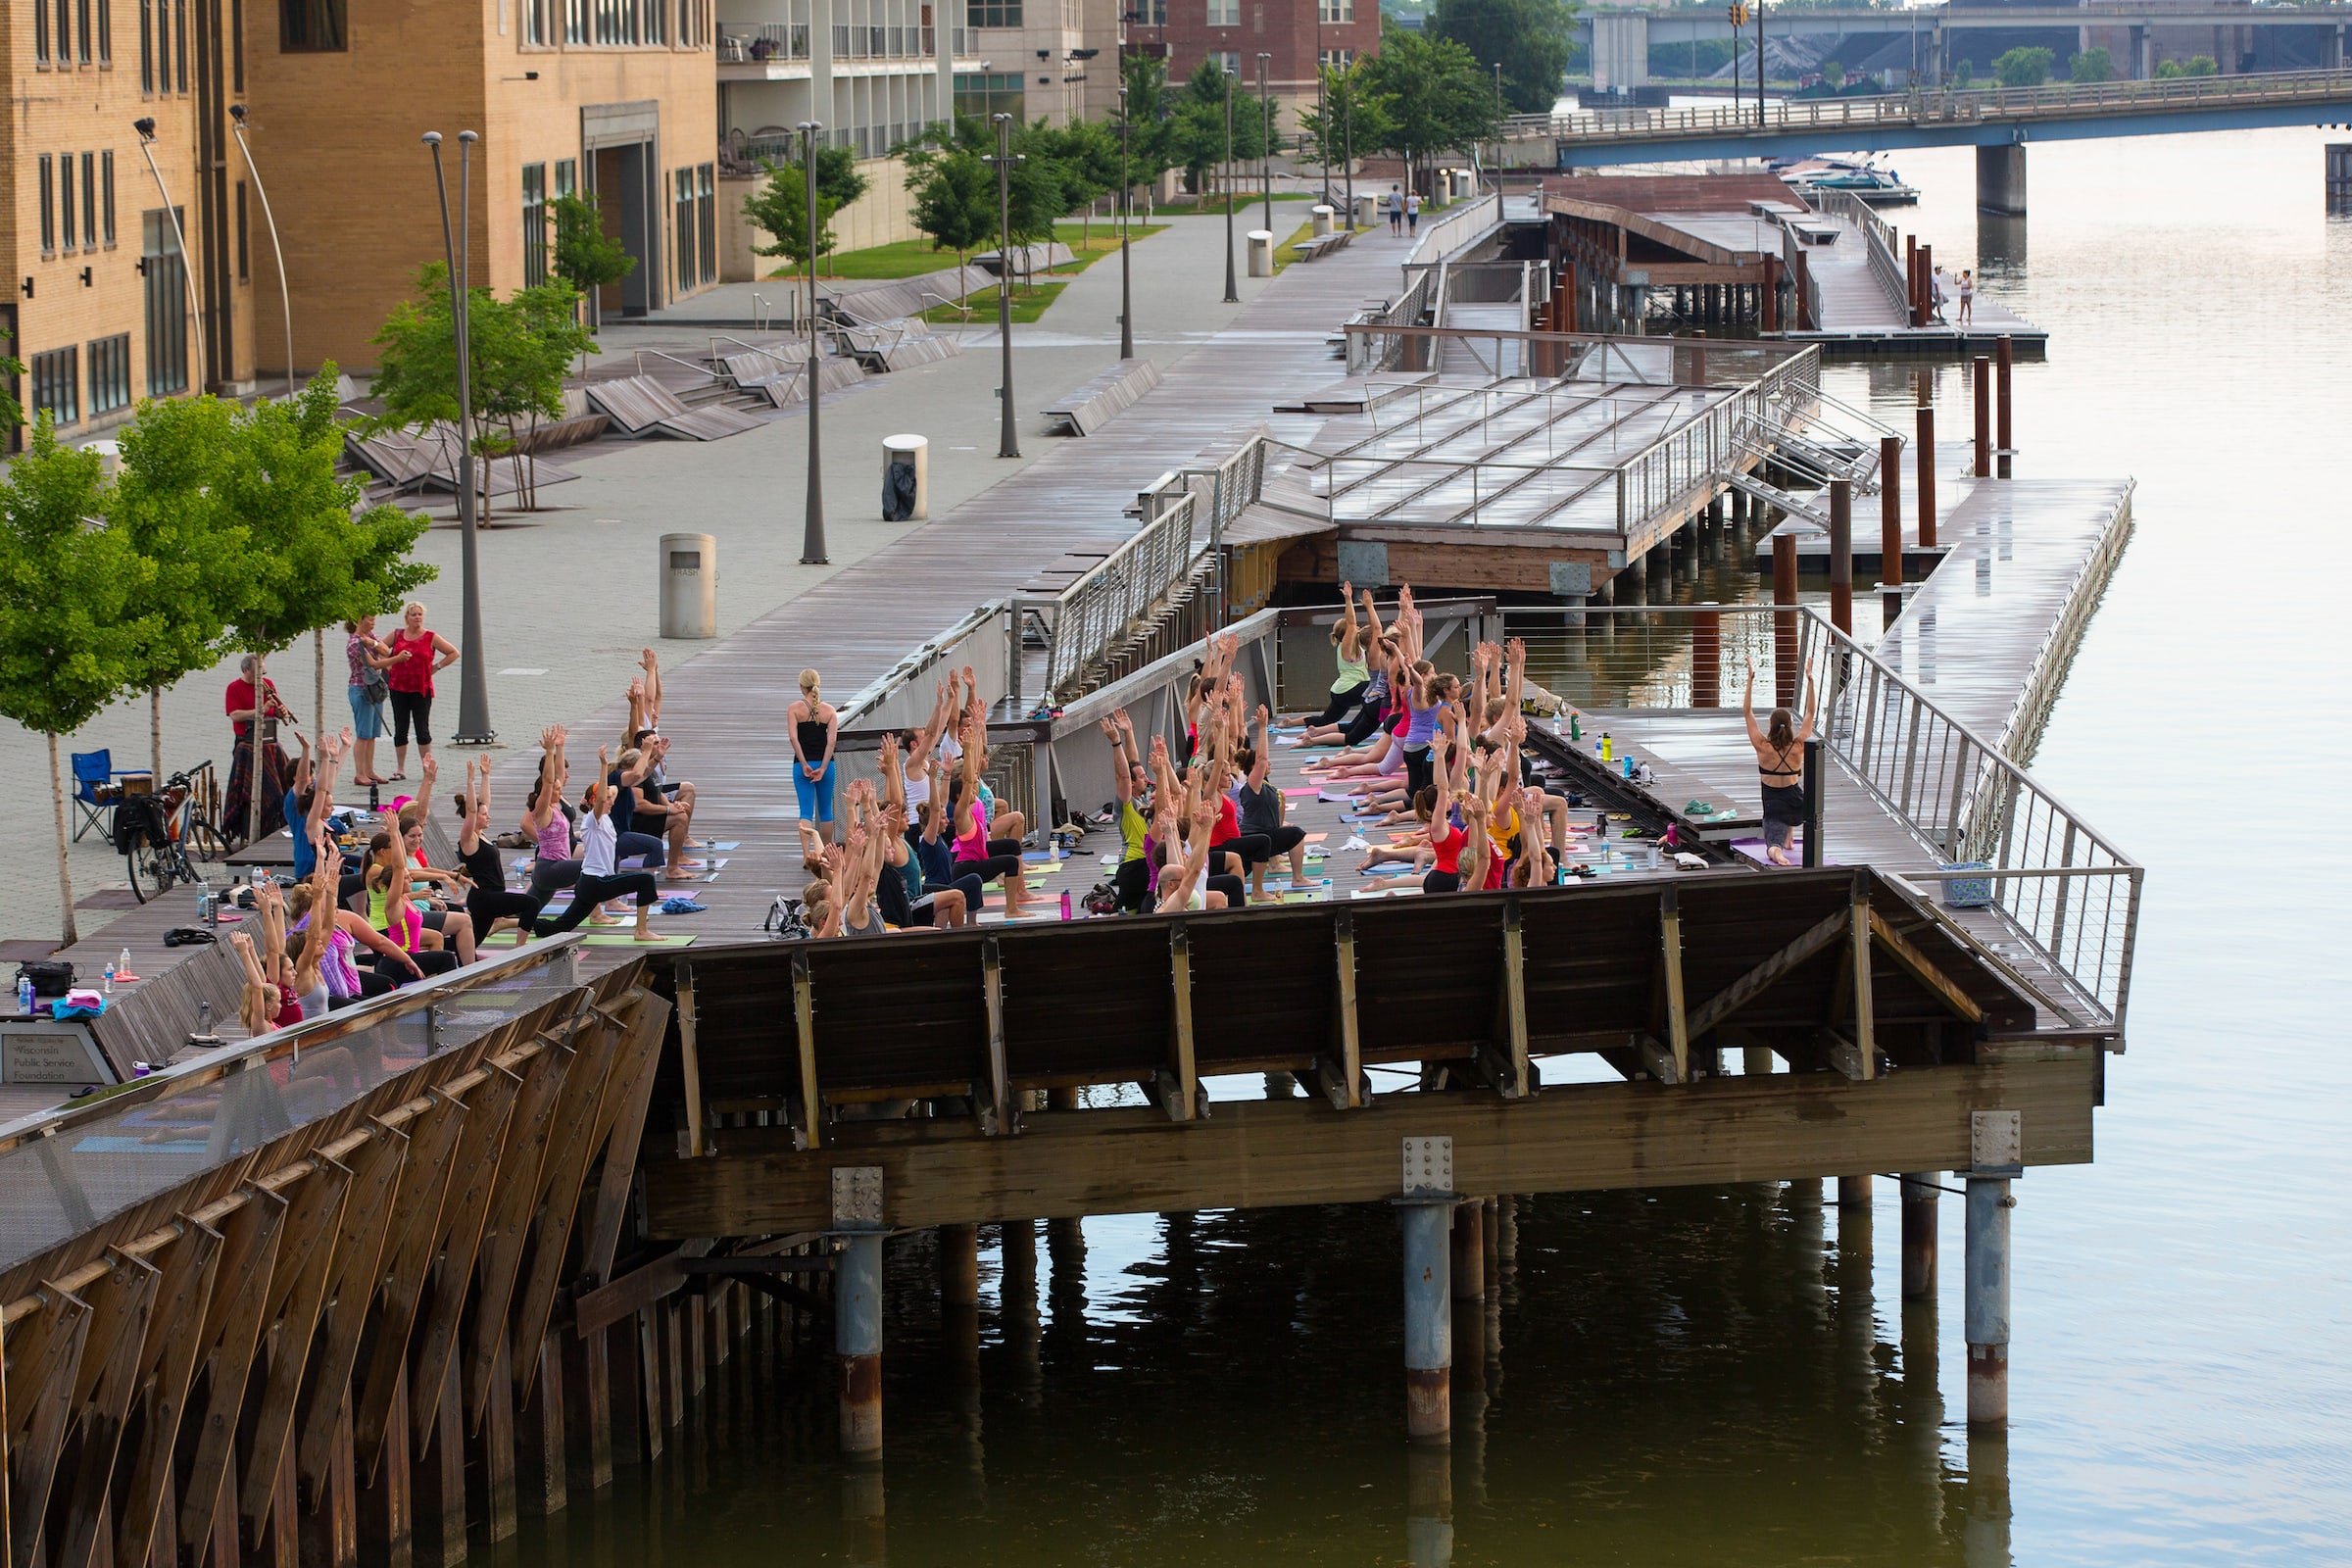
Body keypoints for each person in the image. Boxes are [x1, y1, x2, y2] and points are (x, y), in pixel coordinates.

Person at [535, 748, 662, 942]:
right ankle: (641, 931)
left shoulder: (607, 818)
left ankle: (510, 922)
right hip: (596, 882)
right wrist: (604, 767)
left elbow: (616, 788)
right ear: (595, 801)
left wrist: (647, 757)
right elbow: (603, 796)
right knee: (645, 881)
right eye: (607, 799)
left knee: (557, 928)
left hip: (588, 884)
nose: (611, 800)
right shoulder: (592, 820)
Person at [456, 759, 545, 942]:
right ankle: (520, 948)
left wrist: (486, 776)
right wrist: (471, 781)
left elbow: (483, 803)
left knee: (471, 942)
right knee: (531, 904)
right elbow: (472, 810)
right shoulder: (469, 838)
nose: (489, 816)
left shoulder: (481, 835)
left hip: (490, 896)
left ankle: (443, 950)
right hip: (485, 897)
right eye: (484, 815)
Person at [1743, 659, 1818, 865]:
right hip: (1796, 801)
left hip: (1772, 801)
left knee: (1773, 843)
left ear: (1771, 725)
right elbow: (1811, 713)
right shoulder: (1798, 746)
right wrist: (1810, 680)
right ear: (1790, 725)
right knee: (1799, 796)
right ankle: (1791, 835)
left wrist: (1750, 680)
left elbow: (1747, 713)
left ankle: (1779, 852)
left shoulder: (1762, 746)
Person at [382, 600, 459, 782]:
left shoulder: (430, 636)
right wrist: (388, 665)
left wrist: (436, 667)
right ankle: (400, 769)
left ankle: (427, 767)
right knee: (401, 727)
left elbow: (453, 652)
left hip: (421, 688)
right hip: (398, 687)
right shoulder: (397, 634)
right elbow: (381, 648)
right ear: (407, 617)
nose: (417, 617)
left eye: (419, 614)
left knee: (422, 728)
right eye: (413, 614)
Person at [223, 654, 296, 843]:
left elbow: (275, 709)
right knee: (255, 788)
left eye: (263, 669)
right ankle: (253, 827)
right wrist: (261, 710)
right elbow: (235, 715)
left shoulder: (267, 684)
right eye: (258, 670)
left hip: (269, 744)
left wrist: (280, 713)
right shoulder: (234, 688)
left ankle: (279, 821)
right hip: (246, 746)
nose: (262, 673)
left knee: (283, 780)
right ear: (246, 670)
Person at [345, 615, 399, 785]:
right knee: (363, 734)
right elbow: (372, 664)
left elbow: (384, 650)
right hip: (361, 688)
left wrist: (373, 643)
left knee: (372, 735)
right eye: (370, 619)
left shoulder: (369, 636)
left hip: (374, 688)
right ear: (359, 621)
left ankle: (369, 770)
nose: (373, 622)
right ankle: (360, 773)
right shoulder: (355, 643)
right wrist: (399, 659)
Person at [790, 668, 840, 845]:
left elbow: (793, 738)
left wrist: (803, 763)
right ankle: (826, 851)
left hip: (802, 766)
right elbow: (831, 741)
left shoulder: (794, 709)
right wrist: (824, 767)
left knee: (805, 811)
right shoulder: (829, 711)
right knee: (826, 810)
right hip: (826, 766)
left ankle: (806, 855)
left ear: (802, 687)